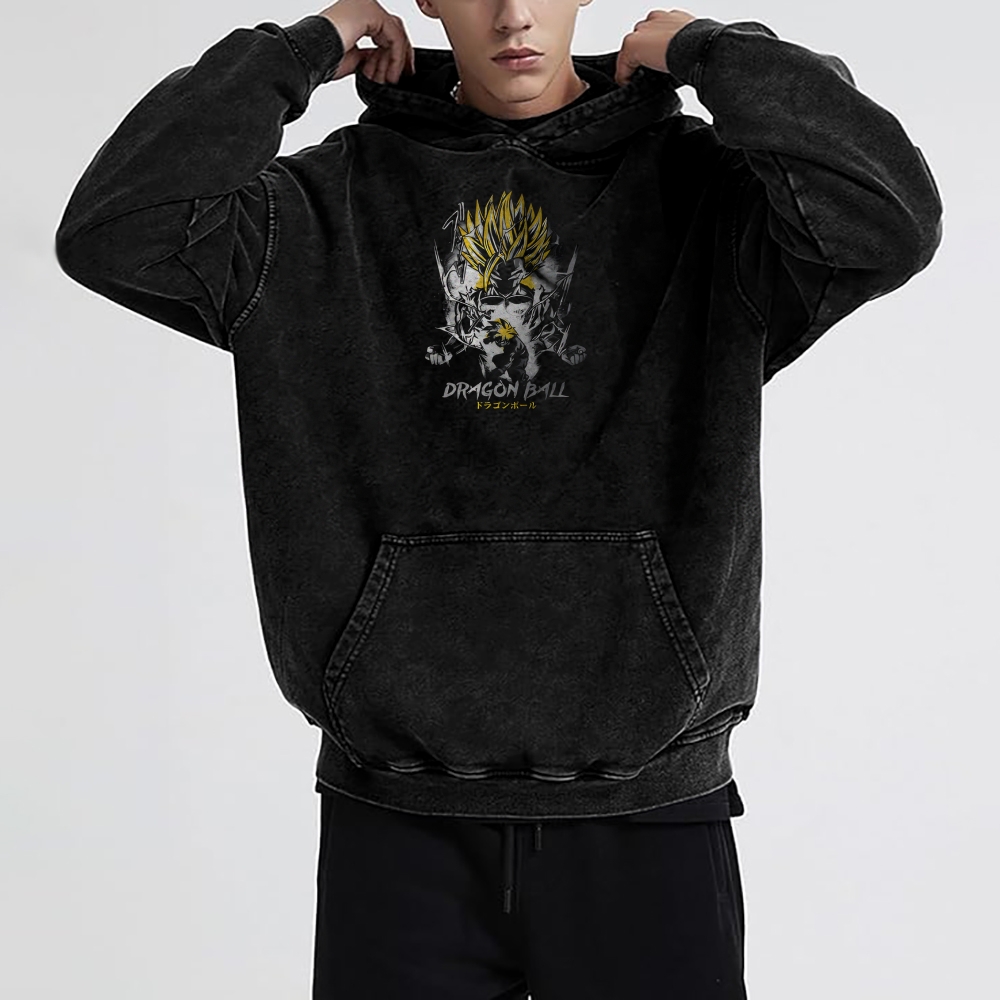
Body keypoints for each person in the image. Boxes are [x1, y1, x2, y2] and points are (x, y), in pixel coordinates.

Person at [54, 0, 943, 996]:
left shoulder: (713, 200)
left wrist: (711, 51)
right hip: (398, 825)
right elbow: (118, 228)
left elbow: (888, 218)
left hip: (648, 815)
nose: (514, 14)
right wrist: (300, 48)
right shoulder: (310, 214)